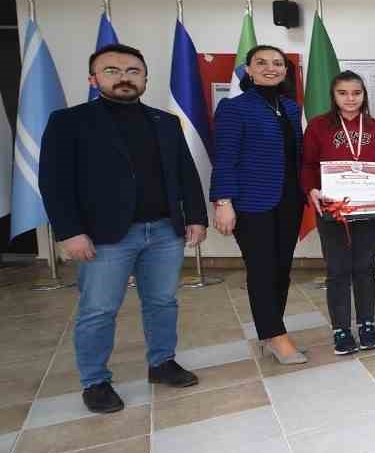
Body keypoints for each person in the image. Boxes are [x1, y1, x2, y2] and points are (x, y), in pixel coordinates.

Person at [40, 43, 206, 413]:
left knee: (162, 302)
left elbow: (185, 173)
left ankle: (162, 363)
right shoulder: (69, 122)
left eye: (132, 71)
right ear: (93, 78)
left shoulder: (165, 121)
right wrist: (70, 231)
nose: (123, 77)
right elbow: (54, 182)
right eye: (112, 71)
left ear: (144, 77)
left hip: (164, 231)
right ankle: (95, 381)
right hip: (104, 236)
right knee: (99, 309)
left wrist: (195, 216)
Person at [212, 44, 309, 366]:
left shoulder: (290, 108)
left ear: (285, 70)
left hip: (289, 201)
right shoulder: (234, 108)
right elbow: (224, 158)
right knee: (262, 270)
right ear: (248, 70)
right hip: (253, 203)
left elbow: (295, 156)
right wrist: (223, 201)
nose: (271, 68)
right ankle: (277, 337)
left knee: (281, 270)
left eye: (278, 63)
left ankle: (270, 334)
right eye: (262, 63)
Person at [302, 70, 375, 356]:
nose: (350, 98)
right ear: (334, 95)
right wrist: (311, 190)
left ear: (364, 95)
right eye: (343, 93)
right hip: (333, 209)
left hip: (369, 208)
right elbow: (307, 166)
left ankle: (367, 324)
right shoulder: (318, 126)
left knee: (365, 268)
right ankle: (341, 329)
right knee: (338, 270)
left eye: (356, 92)